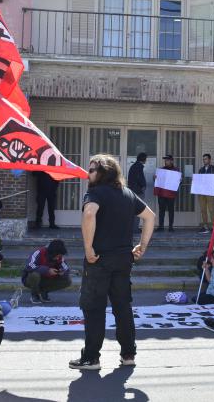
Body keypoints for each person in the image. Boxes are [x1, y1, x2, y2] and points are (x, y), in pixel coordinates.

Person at [70, 154, 156, 370]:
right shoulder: (127, 194)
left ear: (103, 172)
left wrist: (88, 247)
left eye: (91, 170)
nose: (87, 173)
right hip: (124, 259)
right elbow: (150, 216)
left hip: (99, 259)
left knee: (94, 308)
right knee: (122, 307)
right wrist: (142, 246)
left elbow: (89, 213)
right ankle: (128, 354)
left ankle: (91, 358)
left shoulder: (95, 192)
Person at [22, 239, 72, 304]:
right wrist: (47, 270)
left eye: (59, 256)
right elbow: (29, 266)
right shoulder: (38, 252)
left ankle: (44, 291)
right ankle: (35, 295)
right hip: (30, 279)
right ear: (52, 253)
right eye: (57, 256)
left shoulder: (60, 257)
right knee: (34, 275)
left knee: (68, 280)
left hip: (47, 279)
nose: (58, 258)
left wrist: (62, 272)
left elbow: (66, 269)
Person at [154, 154, 180, 232]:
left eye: (168, 160)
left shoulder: (176, 170)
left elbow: (179, 182)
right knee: (161, 210)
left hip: (171, 194)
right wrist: (155, 178)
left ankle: (170, 226)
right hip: (161, 193)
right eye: (165, 160)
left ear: (172, 161)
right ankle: (161, 226)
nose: (166, 161)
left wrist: (179, 180)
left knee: (171, 210)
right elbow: (156, 182)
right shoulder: (161, 170)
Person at [197, 153, 214, 234]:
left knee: (211, 210)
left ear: (209, 160)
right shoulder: (201, 170)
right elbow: (199, 180)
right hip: (201, 192)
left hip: (210, 192)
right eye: (203, 159)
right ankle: (205, 226)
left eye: (206, 159)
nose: (204, 160)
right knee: (203, 210)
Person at [127, 153, 148, 233]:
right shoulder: (138, 166)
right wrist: (143, 186)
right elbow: (140, 178)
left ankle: (133, 228)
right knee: (138, 209)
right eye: (146, 158)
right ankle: (135, 228)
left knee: (134, 209)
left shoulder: (134, 166)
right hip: (137, 191)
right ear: (144, 159)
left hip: (133, 190)